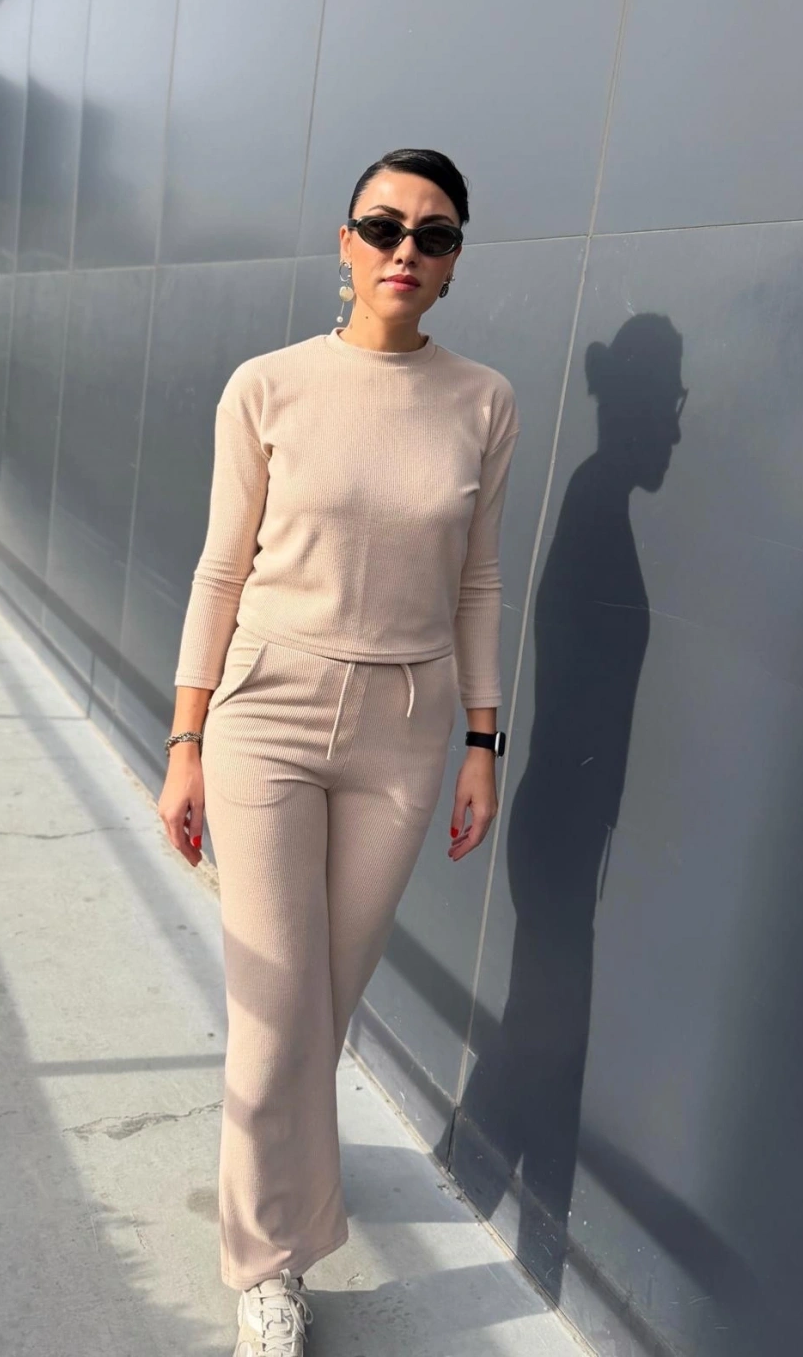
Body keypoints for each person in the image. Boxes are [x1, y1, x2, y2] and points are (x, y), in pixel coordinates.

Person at [158, 147, 520, 1357]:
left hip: (406, 729)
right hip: (266, 708)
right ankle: (269, 1267)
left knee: (326, 1006)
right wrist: (185, 740)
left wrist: (482, 740)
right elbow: (220, 568)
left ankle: (277, 1198)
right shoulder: (267, 386)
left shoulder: (484, 402)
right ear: (345, 243)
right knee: (275, 1012)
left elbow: (478, 581)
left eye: (434, 235)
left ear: (455, 262)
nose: (405, 251)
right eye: (383, 227)